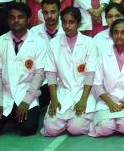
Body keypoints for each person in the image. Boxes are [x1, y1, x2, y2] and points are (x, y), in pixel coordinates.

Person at [0, 2, 45, 137]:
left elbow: (39, 75)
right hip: (5, 95)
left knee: (28, 128)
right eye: (12, 17)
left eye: (20, 17)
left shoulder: (39, 43)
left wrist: (26, 101)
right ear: (8, 20)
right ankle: (11, 115)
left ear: (28, 20)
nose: (16, 20)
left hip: (26, 93)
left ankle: (17, 115)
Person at [41, 7, 99, 136]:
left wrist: (83, 100)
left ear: (79, 23)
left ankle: (79, 118)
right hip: (63, 91)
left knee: (76, 129)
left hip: (84, 91)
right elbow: (50, 74)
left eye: (71, 22)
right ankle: (67, 118)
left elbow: (90, 73)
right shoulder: (54, 44)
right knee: (50, 129)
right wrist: (54, 100)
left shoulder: (89, 43)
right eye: (64, 22)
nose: (67, 26)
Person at [90, 19, 124, 137]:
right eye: (116, 32)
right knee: (104, 128)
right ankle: (112, 121)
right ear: (111, 34)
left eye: (123, 32)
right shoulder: (103, 55)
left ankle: (121, 121)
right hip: (108, 101)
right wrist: (110, 103)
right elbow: (97, 84)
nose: (119, 36)